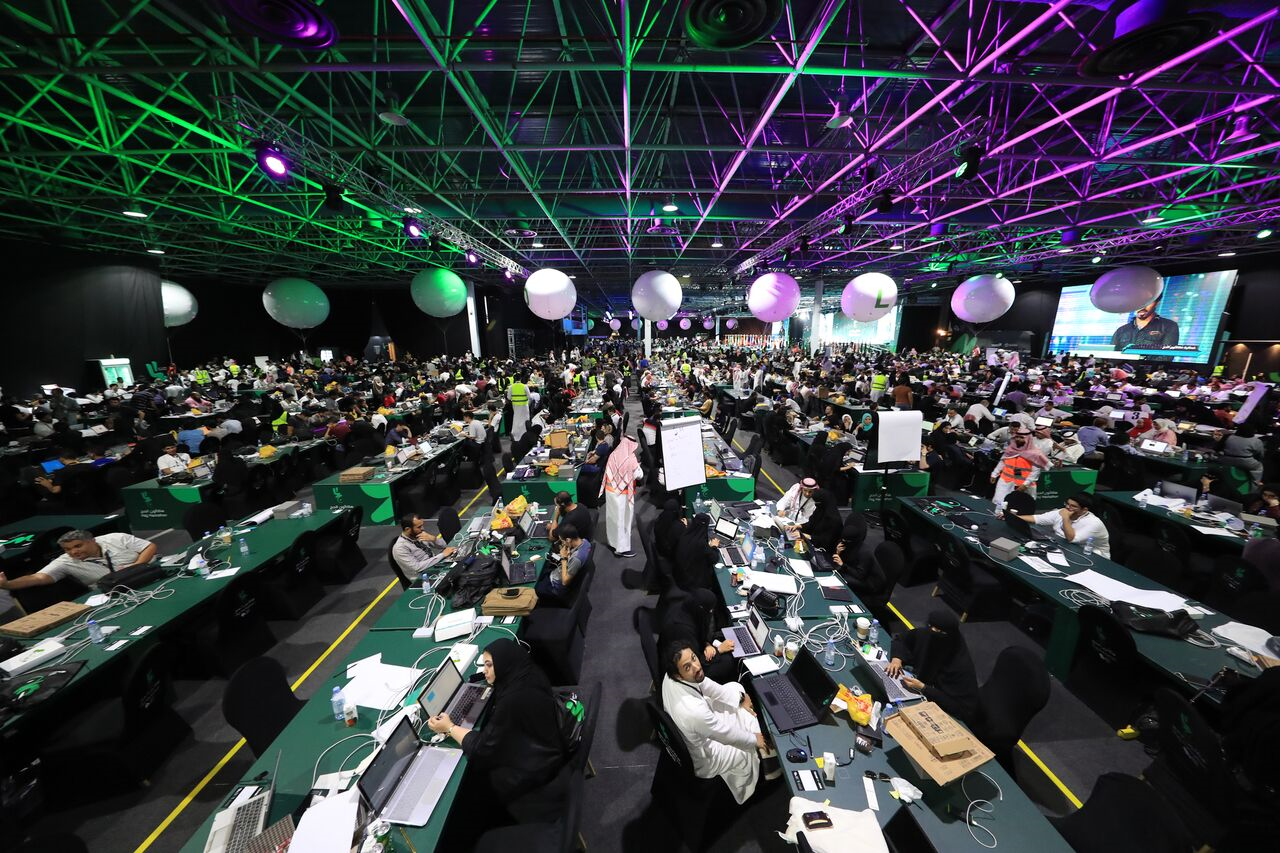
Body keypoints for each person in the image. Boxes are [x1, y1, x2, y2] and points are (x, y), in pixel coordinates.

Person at [425, 639, 569, 821]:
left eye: (489, 665)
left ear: (503, 664)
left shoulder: (511, 702)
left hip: (535, 769)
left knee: (473, 782)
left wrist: (449, 727)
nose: (485, 670)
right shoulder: (527, 671)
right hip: (549, 742)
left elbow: (481, 748)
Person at [660, 640, 780, 804]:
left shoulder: (671, 676)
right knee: (747, 745)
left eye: (694, 658)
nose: (696, 666)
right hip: (708, 757)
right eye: (687, 667)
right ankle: (766, 761)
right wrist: (754, 739)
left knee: (734, 688)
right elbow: (725, 735)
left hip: (699, 728)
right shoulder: (694, 711)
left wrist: (739, 699)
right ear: (678, 675)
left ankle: (756, 733)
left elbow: (705, 684)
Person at [885, 609, 980, 723]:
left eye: (939, 631)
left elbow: (962, 710)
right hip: (913, 689)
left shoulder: (961, 668)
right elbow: (902, 639)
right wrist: (896, 659)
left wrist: (924, 688)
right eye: (931, 627)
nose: (932, 632)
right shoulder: (926, 634)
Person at [0, 529, 157, 591]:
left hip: (148, 575)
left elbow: (149, 546)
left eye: (78, 546)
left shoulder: (116, 538)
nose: (73, 552)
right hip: (113, 592)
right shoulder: (65, 561)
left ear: (92, 541)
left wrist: (136, 567)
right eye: (67, 549)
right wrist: (8, 584)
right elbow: (38, 577)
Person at [658, 590, 738, 684]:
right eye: (710, 611)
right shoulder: (682, 630)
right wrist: (719, 650)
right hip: (683, 673)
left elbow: (698, 635)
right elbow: (691, 661)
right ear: (700, 608)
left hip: (689, 657)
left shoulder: (686, 609)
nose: (711, 613)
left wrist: (706, 644)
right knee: (728, 661)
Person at [1009, 493, 1111, 558]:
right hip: (1065, 548)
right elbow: (1038, 518)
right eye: (1067, 504)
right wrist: (1012, 516)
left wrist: (1066, 518)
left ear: (1084, 510)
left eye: (1073, 506)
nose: (1068, 508)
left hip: (1092, 556)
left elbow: (1072, 539)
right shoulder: (1064, 511)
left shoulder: (1094, 523)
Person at [602, 433, 642, 557]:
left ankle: (612, 542)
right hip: (623, 495)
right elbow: (639, 475)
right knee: (624, 520)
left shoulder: (613, 454)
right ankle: (621, 549)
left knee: (612, 518)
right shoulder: (631, 459)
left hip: (610, 491)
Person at [990, 427, 1050, 506]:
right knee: (998, 502)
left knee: (1021, 506)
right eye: (1017, 437)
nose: (1018, 439)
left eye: (1021, 437)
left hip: (1024, 484)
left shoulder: (1035, 453)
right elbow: (1002, 462)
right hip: (1005, 480)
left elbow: (1035, 472)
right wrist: (994, 474)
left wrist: (1025, 484)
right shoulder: (1010, 449)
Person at [536, 522, 591, 606]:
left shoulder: (576, 559)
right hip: (562, 569)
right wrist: (567, 554)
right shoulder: (585, 542)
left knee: (536, 588)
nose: (562, 544)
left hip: (556, 586)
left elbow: (565, 582)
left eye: (562, 541)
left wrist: (564, 559)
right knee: (546, 568)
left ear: (568, 540)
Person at [391, 513, 456, 580]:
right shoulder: (400, 548)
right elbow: (417, 567)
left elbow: (445, 545)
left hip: (435, 565)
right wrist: (442, 555)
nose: (423, 528)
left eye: (422, 525)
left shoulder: (419, 534)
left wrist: (434, 539)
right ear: (407, 529)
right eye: (419, 527)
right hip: (423, 577)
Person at [1111, 296, 1180, 351]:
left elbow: (1166, 356)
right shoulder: (1121, 330)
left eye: (1147, 301)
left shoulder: (1169, 326)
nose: (1142, 306)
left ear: (1157, 303)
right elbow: (1111, 355)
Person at [673, 513, 721, 593]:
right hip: (693, 583)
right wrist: (714, 546)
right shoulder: (701, 543)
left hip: (680, 576)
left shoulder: (685, 534)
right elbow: (714, 558)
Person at [792, 488, 841, 553]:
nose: (816, 505)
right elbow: (811, 524)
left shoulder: (834, 521)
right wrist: (799, 526)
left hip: (825, 551)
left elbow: (826, 541)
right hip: (812, 544)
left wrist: (807, 536)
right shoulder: (819, 510)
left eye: (818, 502)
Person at [653, 497, 686, 561]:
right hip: (671, 556)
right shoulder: (677, 527)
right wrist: (685, 526)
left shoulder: (660, 519)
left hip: (660, 548)